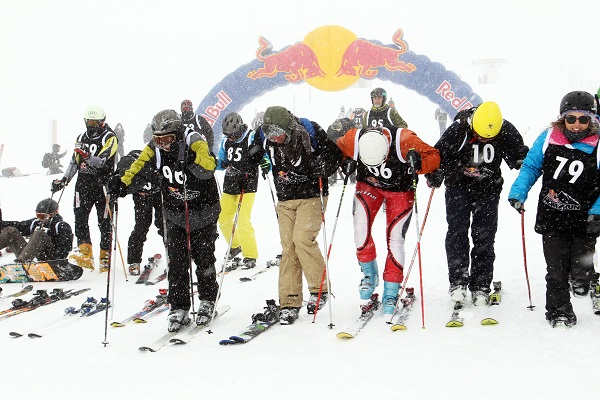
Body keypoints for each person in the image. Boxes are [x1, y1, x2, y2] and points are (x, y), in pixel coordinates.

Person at [108, 109, 221, 332]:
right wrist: (122, 183)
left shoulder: (193, 140)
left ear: (177, 133)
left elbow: (210, 165)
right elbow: (136, 167)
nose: (163, 145)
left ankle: (208, 299)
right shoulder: (154, 149)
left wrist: (192, 158)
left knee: (203, 258)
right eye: (158, 139)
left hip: (203, 210)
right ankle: (179, 306)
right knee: (177, 261)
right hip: (174, 212)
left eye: (167, 139)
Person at [508, 91, 600, 327]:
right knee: (556, 270)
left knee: (581, 270)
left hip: (586, 218)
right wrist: (519, 192)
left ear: (592, 119)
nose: (577, 125)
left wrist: (597, 211)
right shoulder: (549, 137)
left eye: (583, 119)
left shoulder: (597, 143)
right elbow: (530, 167)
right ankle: (559, 310)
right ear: (562, 118)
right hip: (553, 216)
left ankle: (583, 280)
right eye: (571, 118)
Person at [426, 101, 528, 306]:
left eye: (487, 138)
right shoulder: (458, 129)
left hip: (488, 191)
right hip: (458, 188)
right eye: (479, 136)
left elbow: (519, 155)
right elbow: (436, 156)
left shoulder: (505, 129)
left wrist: (521, 161)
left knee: (485, 236)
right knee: (457, 232)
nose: (482, 140)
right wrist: (433, 173)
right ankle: (458, 280)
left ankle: (481, 284)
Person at [335, 125, 440, 313]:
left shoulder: (405, 140)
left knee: (395, 238)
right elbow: (336, 150)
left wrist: (421, 165)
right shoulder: (354, 139)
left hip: (399, 190)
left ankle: (391, 289)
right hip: (369, 185)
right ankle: (369, 274)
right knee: (360, 227)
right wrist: (343, 163)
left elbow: (433, 155)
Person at [260, 106, 342, 324]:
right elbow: (253, 153)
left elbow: (334, 154)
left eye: (278, 132)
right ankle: (289, 300)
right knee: (288, 247)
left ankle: (319, 289)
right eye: (269, 133)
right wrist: (253, 160)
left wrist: (325, 164)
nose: (274, 138)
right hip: (285, 198)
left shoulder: (310, 130)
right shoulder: (267, 139)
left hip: (311, 195)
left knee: (302, 239)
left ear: (288, 127)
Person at [50, 105, 118, 272]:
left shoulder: (110, 137)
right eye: (89, 122)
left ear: (102, 122)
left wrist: (87, 155)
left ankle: (105, 257)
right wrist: (64, 180)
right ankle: (85, 253)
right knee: (80, 219)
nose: (91, 125)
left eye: (95, 122)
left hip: (103, 185)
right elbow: (74, 161)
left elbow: (102, 161)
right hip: (83, 185)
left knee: (104, 222)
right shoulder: (81, 137)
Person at [216, 112, 267, 270]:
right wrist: (214, 163)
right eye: (228, 135)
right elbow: (221, 161)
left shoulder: (251, 137)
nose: (231, 138)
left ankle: (250, 254)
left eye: (234, 135)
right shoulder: (226, 142)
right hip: (230, 184)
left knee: (243, 220)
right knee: (223, 218)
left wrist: (266, 164)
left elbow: (263, 156)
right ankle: (236, 245)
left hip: (248, 184)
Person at [0, 198, 82, 281]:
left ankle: (22, 262)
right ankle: (24, 261)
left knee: (39, 233)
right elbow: (19, 225)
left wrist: (57, 260)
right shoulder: (35, 222)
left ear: (54, 213)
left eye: (43, 216)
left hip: (49, 258)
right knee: (10, 231)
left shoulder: (61, 225)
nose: (40, 218)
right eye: (38, 215)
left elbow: (65, 245)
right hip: (29, 254)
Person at [113, 149, 163, 276]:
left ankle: (175, 255)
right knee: (141, 227)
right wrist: (115, 190)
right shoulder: (126, 168)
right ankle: (134, 261)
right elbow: (118, 184)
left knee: (164, 225)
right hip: (141, 198)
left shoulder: (152, 164)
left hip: (158, 196)